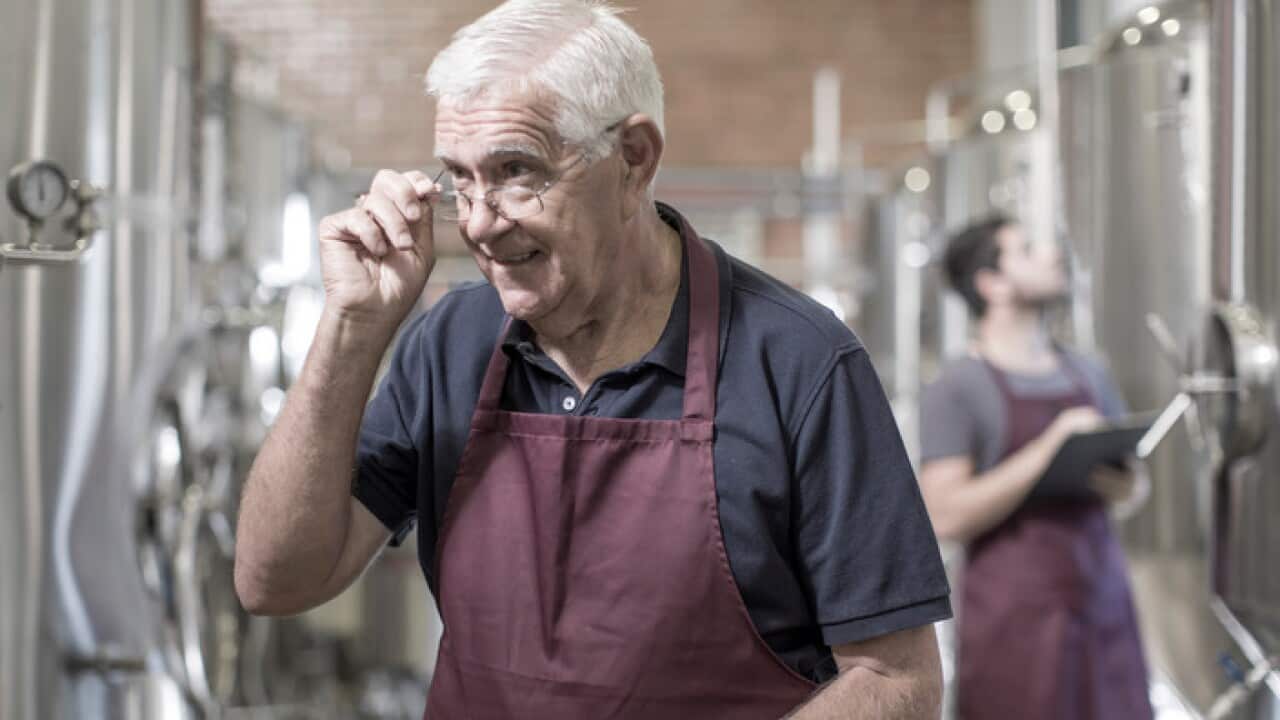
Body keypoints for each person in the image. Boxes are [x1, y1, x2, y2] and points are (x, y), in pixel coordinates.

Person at [234, 1, 951, 717]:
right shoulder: (449, 344)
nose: (480, 222)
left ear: (634, 159)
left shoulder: (797, 361)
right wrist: (353, 327)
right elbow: (275, 581)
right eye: (460, 178)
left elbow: (899, 683)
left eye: (517, 172)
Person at [918, 214, 1153, 720]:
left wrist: (1124, 483)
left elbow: (1135, 495)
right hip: (1014, 629)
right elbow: (944, 517)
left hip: (1105, 612)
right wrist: (1051, 448)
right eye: (1027, 250)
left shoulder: (1088, 371)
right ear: (991, 283)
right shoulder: (957, 388)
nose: (1051, 256)